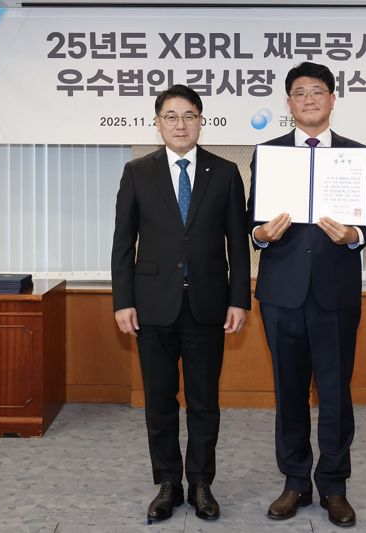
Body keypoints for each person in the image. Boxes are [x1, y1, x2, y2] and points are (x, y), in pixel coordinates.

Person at [247, 62, 366, 528]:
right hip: (282, 295)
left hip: (335, 294)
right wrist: (261, 234)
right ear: (288, 103)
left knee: (335, 393)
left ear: (332, 99)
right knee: (288, 392)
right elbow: (251, 218)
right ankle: (295, 482)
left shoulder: (355, 155)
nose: (309, 99)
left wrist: (354, 235)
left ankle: (334, 486)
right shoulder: (269, 154)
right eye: (300, 92)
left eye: (318, 91)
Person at [111, 84, 251, 523]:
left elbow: (238, 244)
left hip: (208, 305)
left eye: (189, 115)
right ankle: (168, 483)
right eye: (171, 116)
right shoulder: (138, 172)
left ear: (201, 121)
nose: (180, 124)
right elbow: (122, 243)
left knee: (204, 401)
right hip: (152, 306)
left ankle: (202, 483)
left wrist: (239, 299)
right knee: (159, 400)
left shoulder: (225, 173)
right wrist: (123, 301)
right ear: (157, 123)